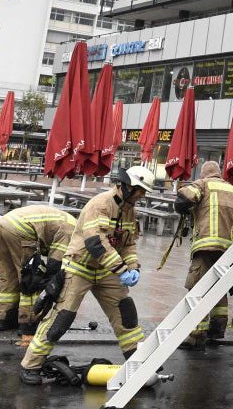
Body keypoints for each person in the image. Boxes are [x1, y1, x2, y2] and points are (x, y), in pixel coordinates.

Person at [20, 165, 154, 385]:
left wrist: (133, 267)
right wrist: (121, 269)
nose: (142, 195)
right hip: (80, 267)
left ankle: (141, 363)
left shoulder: (130, 210)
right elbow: (95, 243)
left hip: (108, 270)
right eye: (139, 190)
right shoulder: (100, 204)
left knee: (126, 316)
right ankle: (30, 366)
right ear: (126, 185)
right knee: (60, 320)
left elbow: (128, 244)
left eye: (144, 191)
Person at [176, 160, 233, 347]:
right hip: (228, 250)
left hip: (206, 245)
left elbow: (183, 199)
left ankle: (196, 335)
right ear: (219, 173)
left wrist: (186, 209)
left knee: (197, 288)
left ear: (204, 173)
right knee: (218, 287)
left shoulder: (203, 184)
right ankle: (216, 331)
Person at [0, 205, 75, 348]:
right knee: (30, 279)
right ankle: (28, 325)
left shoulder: (66, 220)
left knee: (8, 277)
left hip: (4, 224)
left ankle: (5, 318)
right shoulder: (72, 230)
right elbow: (55, 264)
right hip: (21, 231)